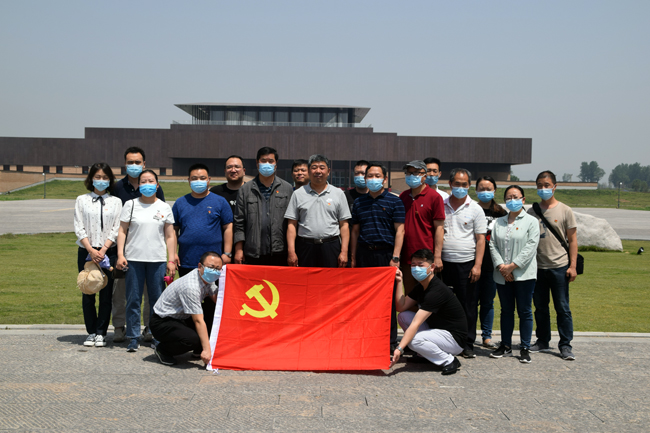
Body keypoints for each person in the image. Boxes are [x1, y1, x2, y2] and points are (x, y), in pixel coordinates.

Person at [116, 169, 176, 353]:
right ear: (139, 185)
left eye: (151, 181)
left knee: (156, 300)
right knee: (133, 299)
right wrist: (120, 254)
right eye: (143, 181)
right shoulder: (131, 205)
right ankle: (133, 337)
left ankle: (155, 335)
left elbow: (170, 235)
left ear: (157, 185)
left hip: (157, 260)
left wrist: (171, 259)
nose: (147, 184)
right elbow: (122, 231)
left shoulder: (164, 207)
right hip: (133, 259)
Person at [111, 146, 165, 343]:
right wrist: (119, 252)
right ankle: (119, 327)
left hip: (150, 251)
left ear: (144, 164)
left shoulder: (154, 186)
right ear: (125, 164)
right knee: (122, 292)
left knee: (150, 293)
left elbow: (160, 218)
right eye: (130, 162)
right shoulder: (117, 188)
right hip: (124, 250)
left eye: (137, 162)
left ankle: (149, 328)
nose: (133, 165)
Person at [350, 162, 405, 353]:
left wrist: (395, 257)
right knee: (364, 299)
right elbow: (355, 232)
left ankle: (389, 342)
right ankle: (365, 338)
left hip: (386, 255)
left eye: (377, 176)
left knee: (387, 300)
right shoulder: (359, 202)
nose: (373, 179)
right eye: (370, 176)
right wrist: (353, 257)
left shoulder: (395, 202)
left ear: (385, 179)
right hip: (364, 254)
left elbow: (400, 231)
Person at [390, 249, 467, 375]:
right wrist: (399, 281)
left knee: (414, 341)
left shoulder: (436, 291)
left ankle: (449, 360)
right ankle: (424, 354)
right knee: (403, 316)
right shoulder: (421, 286)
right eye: (413, 265)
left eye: (421, 265)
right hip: (437, 331)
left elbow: (415, 324)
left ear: (432, 267)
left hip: (454, 339)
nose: (416, 268)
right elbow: (401, 307)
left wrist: (399, 348)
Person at [527, 170, 578, 361]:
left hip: (559, 267)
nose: (543, 189)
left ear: (555, 186)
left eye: (547, 185)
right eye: (540, 185)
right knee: (540, 307)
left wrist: (572, 266)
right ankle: (542, 340)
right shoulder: (532, 211)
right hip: (537, 268)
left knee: (562, 307)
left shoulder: (565, 210)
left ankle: (565, 345)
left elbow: (573, 240)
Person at [488, 186, 540, 363]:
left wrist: (512, 267)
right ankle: (505, 345)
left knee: (524, 311)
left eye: (516, 197)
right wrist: (502, 267)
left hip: (524, 274)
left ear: (523, 199)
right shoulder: (499, 222)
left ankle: (525, 347)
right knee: (506, 310)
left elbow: (531, 246)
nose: (512, 200)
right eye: (509, 197)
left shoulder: (531, 221)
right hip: (502, 274)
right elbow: (493, 245)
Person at [74, 163, 122, 347]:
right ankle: (91, 332)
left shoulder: (116, 202)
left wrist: (102, 250)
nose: (101, 180)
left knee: (106, 294)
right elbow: (79, 226)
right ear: (91, 179)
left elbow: (117, 228)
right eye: (97, 177)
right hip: (87, 251)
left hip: (107, 251)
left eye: (105, 177)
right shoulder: (82, 200)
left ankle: (101, 332)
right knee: (88, 290)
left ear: (110, 180)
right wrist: (91, 250)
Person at [440, 168, 487, 359]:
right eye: (457, 184)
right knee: (444, 305)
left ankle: (467, 343)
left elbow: (481, 239)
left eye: (464, 184)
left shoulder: (475, 208)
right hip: (443, 263)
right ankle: (445, 341)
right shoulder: (441, 205)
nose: (460, 187)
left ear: (469, 185)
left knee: (468, 305)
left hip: (467, 264)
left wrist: (477, 265)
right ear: (450, 184)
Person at [150, 251, 222, 366]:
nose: (214, 271)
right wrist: (207, 350)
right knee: (191, 340)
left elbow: (217, 300)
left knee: (212, 310)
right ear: (200, 266)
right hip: (162, 322)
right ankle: (163, 350)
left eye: (218, 268)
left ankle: (199, 348)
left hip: (181, 317)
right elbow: (198, 321)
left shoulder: (206, 278)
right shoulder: (191, 286)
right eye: (211, 267)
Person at [285, 154, 351, 268]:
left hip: (331, 246)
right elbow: (292, 224)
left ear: (328, 171)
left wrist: (344, 252)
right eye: (314, 167)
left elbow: (344, 225)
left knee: (330, 278)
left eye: (322, 167)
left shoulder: (338, 193)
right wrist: (291, 252)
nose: (318, 171)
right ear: (309, 171)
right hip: (305, 246)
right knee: (306, 278)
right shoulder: (298, 194)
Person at [233, 147, 293, 266]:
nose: (267, 164)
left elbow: (291, 222)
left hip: (279, 252)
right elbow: (239, 222)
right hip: (253, 252)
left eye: (271, 161)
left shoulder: (287, 188)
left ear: (276, 164)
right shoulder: (245, 190)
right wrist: (239, 250)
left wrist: (291, 251)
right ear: (257, 163)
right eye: (263, 161)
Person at [173, 163, 233, 276]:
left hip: (213, 262)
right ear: (189, 180)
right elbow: (173, 230)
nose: (198, 181)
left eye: (202, 178)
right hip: (186, 260)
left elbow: (228, 227)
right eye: (194, 178)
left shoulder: (220, 201)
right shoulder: (180, 202)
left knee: (212, 288)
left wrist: (227, 253)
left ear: (208, 180)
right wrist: (173, 254)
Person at [399, 160, 445, 297]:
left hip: (426, 256)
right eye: (409, 173)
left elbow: (439, 228)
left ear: (424, 175)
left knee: (428, 296)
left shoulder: (435, 197)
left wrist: (437, 256)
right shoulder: (403, 196)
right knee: (410, 295)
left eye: (416, 173)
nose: (411, 176)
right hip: (407, 257)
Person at [475, 176, 507, 348]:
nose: (485, 192)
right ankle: (468, 334)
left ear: (494, 191)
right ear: (476, 190)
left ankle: (486, 336)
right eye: (481, 188)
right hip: (473, 264)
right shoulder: (472, 209)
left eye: (488, 189)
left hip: (492, 265)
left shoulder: (501, 213)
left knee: (488, 302)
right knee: (471, 302)